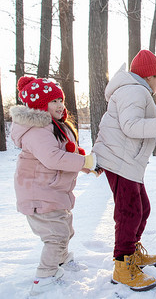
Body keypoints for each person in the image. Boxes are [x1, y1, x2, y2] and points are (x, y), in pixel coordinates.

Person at [92, 50, 156, 292]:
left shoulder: (137, 91)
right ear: (149, 75)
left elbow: (141, 131)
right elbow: (131, 127)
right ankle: (122, 266)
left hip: (127, 160)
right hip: (119, 160)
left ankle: (133, 252)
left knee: (142, 208)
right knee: (129, 212)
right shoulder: (134, 90)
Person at [10, 76, 96, 296]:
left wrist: (87, 166)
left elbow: (69, 154)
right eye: (54, 101)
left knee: (65, 229)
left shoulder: (55, 126)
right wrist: (84, 162)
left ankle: (62, 260)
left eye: (61, 100)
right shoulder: (36, 130)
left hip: (53, 191)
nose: (60, 105)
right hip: (38, 192)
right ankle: (44, 277)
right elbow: (53, 158)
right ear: (40, 105)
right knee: (55, 236)